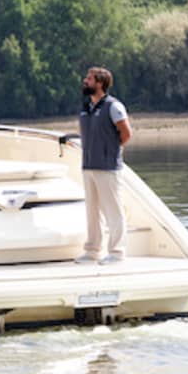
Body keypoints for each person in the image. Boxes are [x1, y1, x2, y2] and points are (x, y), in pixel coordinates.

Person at [75, 66, 133, 265]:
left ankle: (117, 253)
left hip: (108, 167)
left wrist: (111, 151)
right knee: (92, 211)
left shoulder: (114, 106)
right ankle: (93, 250)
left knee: (113, 210)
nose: (85, 81)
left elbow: (126, 134)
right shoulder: (86, 106)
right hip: (89, 166)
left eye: (89, 79)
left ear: (100, 83)